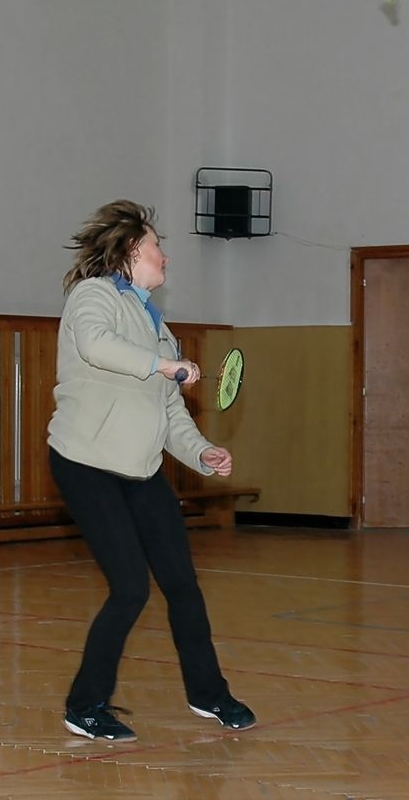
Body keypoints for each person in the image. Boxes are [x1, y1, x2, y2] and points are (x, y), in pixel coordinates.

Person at [47, 199, 255, 742]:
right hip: (86, 464)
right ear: (130, 252)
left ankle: (208, 693)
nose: (165, 256)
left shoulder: (158, 328)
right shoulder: (92, 296)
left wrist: (202, 452)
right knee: (130, 588)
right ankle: (85, 706)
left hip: (140, 471)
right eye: (157, 246)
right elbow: (96, 345)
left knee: (182, 584)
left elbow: (170, 413)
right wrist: (164, 365)